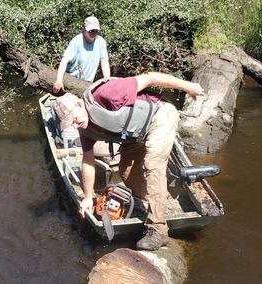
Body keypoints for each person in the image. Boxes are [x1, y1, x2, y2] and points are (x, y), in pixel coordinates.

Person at [60, 71, 204, 251]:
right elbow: (87, 161)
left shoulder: (109, 93)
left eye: (74, 119)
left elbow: (150, 77)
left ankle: (158, 230)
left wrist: (187, 86)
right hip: (136, 134)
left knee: (153, 164)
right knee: (127, 172)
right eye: (70, 124)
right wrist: (88, 197)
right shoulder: (84, 128)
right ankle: (157, 198)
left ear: (80, 105)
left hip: (160, 116)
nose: (74, 125)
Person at [53, 16, 110, 94]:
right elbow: (64, 60)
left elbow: (104, 63)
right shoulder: (76, 41)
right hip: (71, 79)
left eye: (95, 31)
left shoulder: (101, 42)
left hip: (87, 83)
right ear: (84, 29)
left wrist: (107, 81)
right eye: (91, 30)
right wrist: (59, 80)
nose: (93, 33)